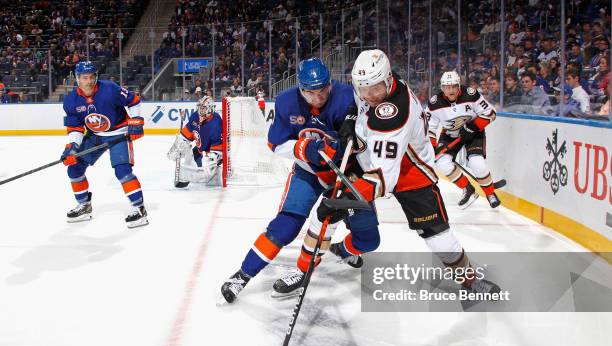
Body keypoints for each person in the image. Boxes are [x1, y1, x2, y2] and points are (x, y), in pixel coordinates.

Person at [275, 51, 500, 298]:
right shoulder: (379, 84)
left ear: (389, 79)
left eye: (375, 89)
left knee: (438, 238)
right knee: (324, 219)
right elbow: (360, 103)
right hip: (369, 159)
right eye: (364, 89)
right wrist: (351, 119)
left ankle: (469, 280)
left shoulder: (393, 114)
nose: (370, 96)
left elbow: (383, 178)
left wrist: (345, 202)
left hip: (411, 173)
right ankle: (303, 270)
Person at [219, 58, 375, 303]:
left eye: (323, 89)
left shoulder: (350, 97)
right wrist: (305, 149)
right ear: (301, 89)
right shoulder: (286, 101)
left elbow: (372, 137)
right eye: (311, 92)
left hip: (347, 175)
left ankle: (342, 249)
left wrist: (355, 140)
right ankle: (243, 275)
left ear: (330, 84)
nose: (318, 96)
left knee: (369, 239)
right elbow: (275, 144)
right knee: (286, 224)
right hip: (309, 172)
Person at [61, 61, 148, 228]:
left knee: (122, 170)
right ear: (77, 79)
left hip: (119, 134)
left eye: (92, 77)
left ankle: (139, 209)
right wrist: (72, 147)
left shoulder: (109, 89)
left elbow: (134, 101)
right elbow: (76, 128)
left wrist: (136, 121)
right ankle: (84, 206)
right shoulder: (71, 101)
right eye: (85, 77)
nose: (89, 81)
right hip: (95, 136)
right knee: (74, 168)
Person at [426, 70, 501, 209]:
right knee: (441, 162)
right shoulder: (434, 103)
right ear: (442, 88)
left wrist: (473, 126)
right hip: (449, 134)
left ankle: (490, 193)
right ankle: (468, 190)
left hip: (473, 133)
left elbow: (491, 113)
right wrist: (432, 147)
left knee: (477, 164)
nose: (451, 90)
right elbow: (429, 128)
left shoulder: (471, 94)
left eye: (454, 86)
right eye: (447, 87)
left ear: (459, 86)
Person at [167, 96, 223, 186]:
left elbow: (218, 145)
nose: (201, 110)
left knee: (211, 167)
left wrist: (214, 158)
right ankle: (185, 176)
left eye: (203, 108)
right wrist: (179, 144)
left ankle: (214, 175)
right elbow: (187, 133)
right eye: (200, 108)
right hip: (201, 144)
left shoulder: (215, 123)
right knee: (193, 153)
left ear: (210, 109)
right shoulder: (195, 116)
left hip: (213, 149)